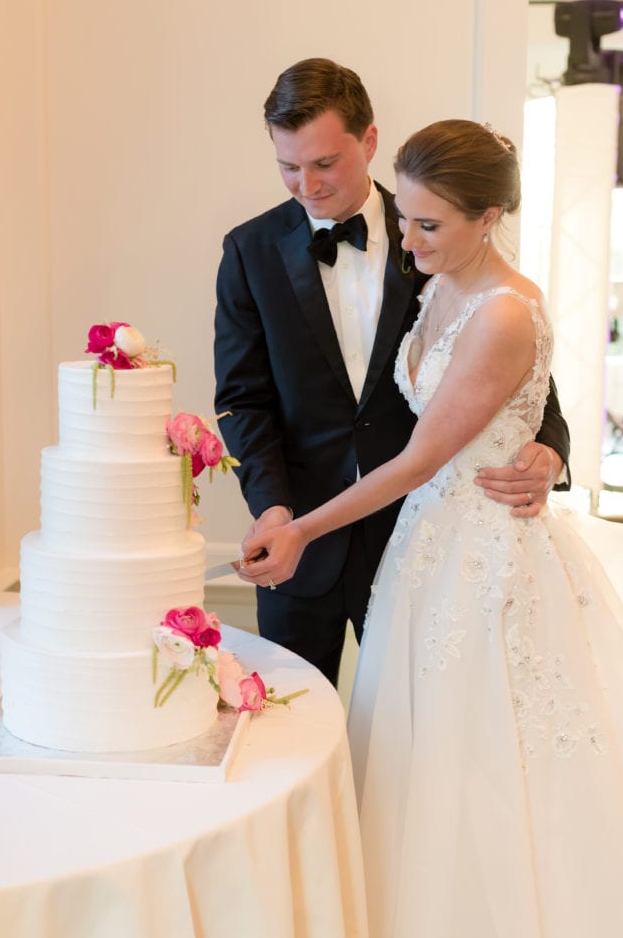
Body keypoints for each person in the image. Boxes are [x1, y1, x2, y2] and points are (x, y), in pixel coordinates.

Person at [238, 119, 623, 938]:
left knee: (482, 757)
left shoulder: (498, 311)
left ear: (487, 216)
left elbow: (424, 455)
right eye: (408, 222)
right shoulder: (434, 283)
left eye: (428, 226)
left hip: (482, 558)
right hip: (421, 549)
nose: (408, 240)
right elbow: (262, 394)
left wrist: (549, 450)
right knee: (406, 753)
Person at [214, 58, 570, 686]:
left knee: (415, 733)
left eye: (324, 163)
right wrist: (273, 508)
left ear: (369, 140)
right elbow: (243, 399)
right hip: (303, 536)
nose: (307, 186)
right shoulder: (249, 250)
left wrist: (551, 450)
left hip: (424, 538)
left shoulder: (439, 234)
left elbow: (524, 369)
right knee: (293, 723)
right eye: (288, 166)